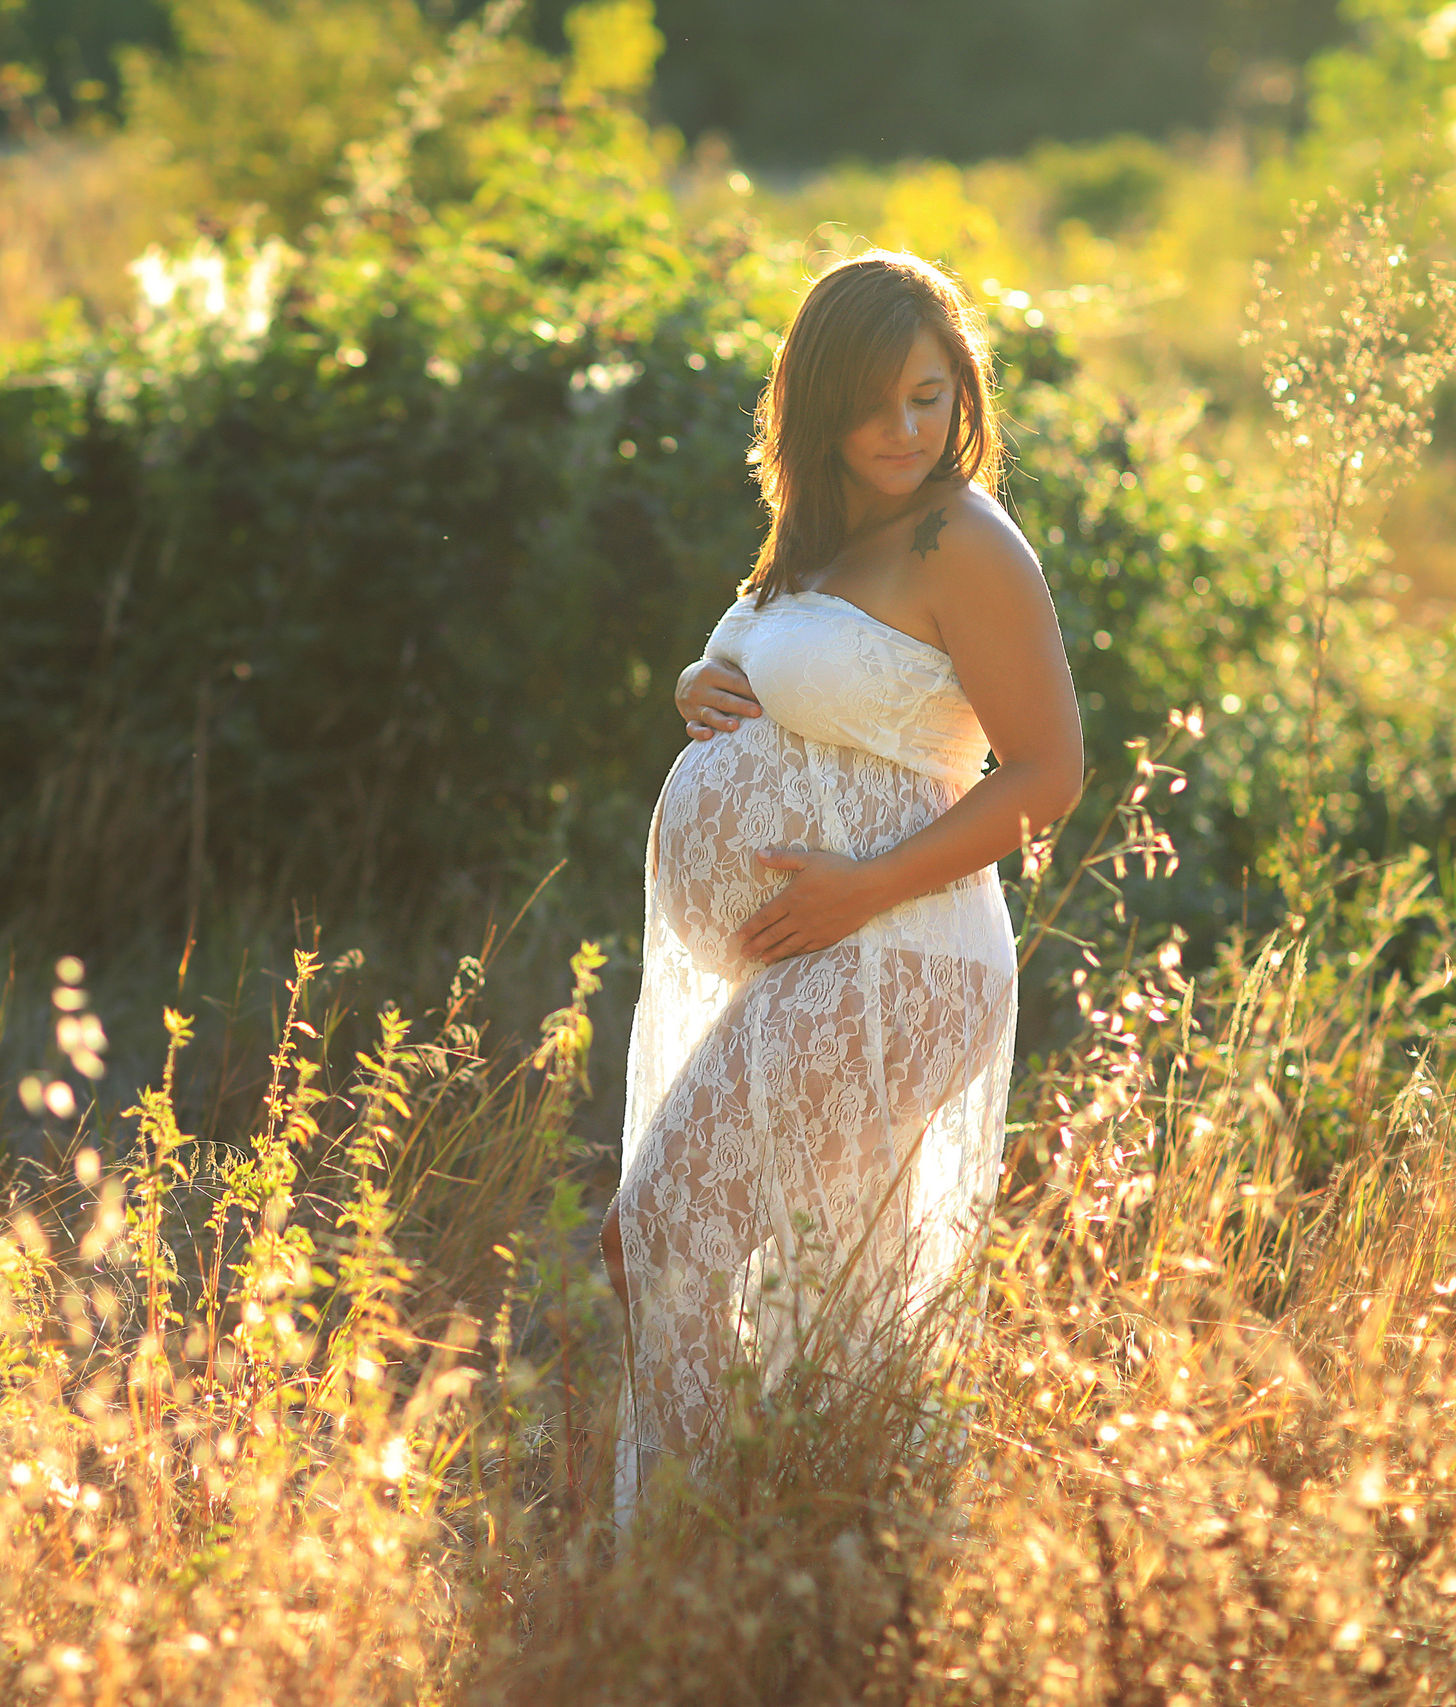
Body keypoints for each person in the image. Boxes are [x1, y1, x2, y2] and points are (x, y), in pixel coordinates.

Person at [598, 251, 1083, 1514]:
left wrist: (862, 886)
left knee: (656, 1242)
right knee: (835, 1314)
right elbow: (788, 679)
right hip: (825, 955)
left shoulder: (960, 537)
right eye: (874, 404)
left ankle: (688, 1570)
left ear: (961, 391)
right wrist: (694, 685)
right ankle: (831, 1571)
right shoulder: (819, 532)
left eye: (929, 396)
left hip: (897, 950)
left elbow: (1046, 771)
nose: (905, 429)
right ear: (814, 408)